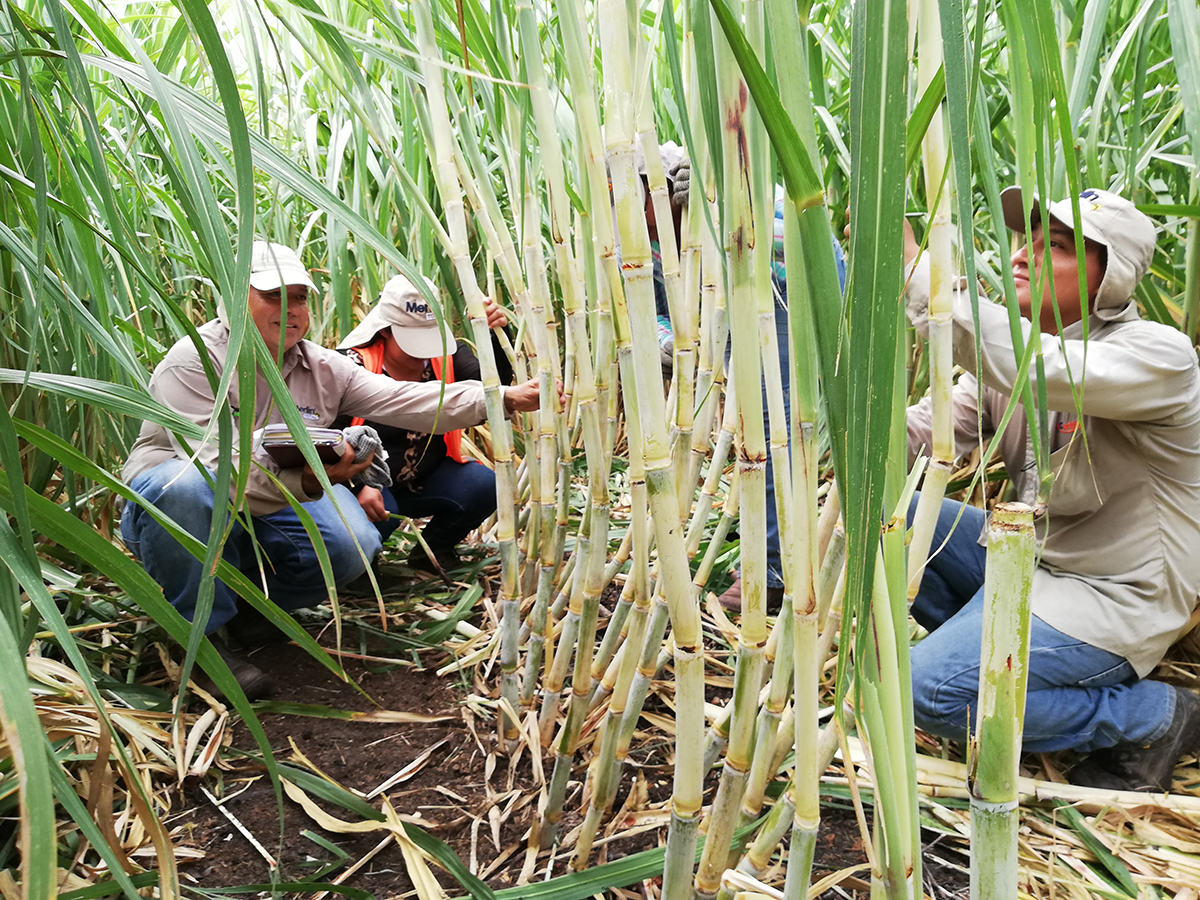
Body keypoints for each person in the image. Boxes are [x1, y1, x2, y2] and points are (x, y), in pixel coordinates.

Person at [121, 242, 542, 698]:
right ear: (234, 297)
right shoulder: (194, 362)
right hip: (191, 499)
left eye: (300, 297)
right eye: (274, 296)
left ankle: (250, 609)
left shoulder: (322, 367)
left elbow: (405, 399)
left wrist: (503, 399)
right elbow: (217, 470)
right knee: (184, 487)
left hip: (272, 494)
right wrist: (305, 480)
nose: (291, 309)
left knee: (353, 544)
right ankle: (198, 638)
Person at [904, 188, 1200, 792]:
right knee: (896, 515)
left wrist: (922, 279)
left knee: (926, 691)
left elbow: (1039, 369)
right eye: (1029, 241)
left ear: (1112, 277)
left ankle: (1154, 715)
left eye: (1057, 247)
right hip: (1029, 564)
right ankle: (993, 663)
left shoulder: (1157, 359)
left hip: (1113, 595)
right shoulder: (1003, 364)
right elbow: (924, 433)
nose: (1023, 256)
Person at [334, 274, 523, 572]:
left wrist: (495, 337)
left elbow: (491, 388)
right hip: (369, 486)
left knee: (485, 485)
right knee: (371, 512)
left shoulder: (446, 359)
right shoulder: (350, 367)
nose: (422, 354)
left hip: (424, 479)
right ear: (384, 331)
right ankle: (361, 565)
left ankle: (434, 551)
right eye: (412, 343)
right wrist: (358, 485)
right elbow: (326, 440)